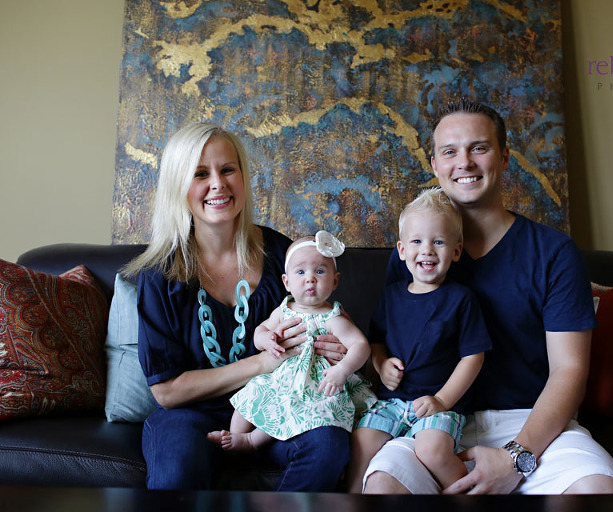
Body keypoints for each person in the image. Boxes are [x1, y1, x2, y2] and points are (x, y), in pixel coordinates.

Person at [362, 99, 613, 494]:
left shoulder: (553, 252)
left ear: (504, 158)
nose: (464, 162)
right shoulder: (414, 256)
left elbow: (569, 370)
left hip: (532, 423)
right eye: (449, 152)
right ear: (434, 165)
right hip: (428, 421)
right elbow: (382, 344)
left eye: (479, 148)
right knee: (382, 486)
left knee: (600, 490)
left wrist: (517, 456)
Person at [124, 122, 350, 491]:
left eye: (228, 169)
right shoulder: (160, 274)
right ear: (178, 186)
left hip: (279, 409)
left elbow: (327, 319)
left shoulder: (284, 254)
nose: (218, 184)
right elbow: (167, 391)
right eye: (200, 174)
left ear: (243, 177)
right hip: (191, 416)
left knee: (328, 445)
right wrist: (261, 363)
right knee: (176, 470)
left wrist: (335, 348)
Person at [347, 188, 492, 492]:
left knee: (432, 451)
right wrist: (381, 364)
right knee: (361, 442)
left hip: (439, 402)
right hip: (392, 401)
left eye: (438, 242)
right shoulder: (391, 296)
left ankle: (470, 493)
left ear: (456, 251)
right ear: (401, 250)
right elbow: (376, 341)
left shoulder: (461, 299)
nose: (427, 250)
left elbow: (473, 357)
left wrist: (443, 400)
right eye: (416, 242)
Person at [207, 232, 376, 451]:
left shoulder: (333, 318)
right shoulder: (283, 309)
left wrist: (342, 370)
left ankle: (252, 441)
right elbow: (260, 331)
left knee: (288, 408)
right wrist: (266, 339)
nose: (310, 278)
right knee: (250, 394)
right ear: (286, 282)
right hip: (281, 376)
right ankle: (235, 439)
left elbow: (361, 345)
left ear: (335, 281)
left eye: (320, 271)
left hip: (313, 385)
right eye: (300, 272)